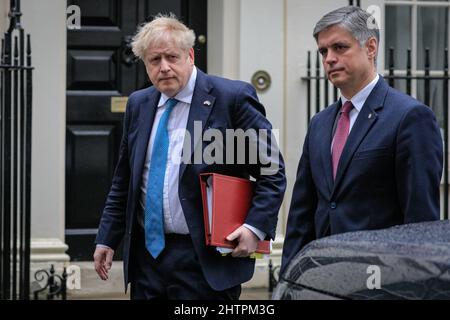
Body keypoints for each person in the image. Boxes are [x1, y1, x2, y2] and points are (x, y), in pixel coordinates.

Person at [93, 13, 286, 300]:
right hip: (147, 260)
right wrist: (107, 238)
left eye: (172, 57)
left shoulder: (230, 98)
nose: (164, 67)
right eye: (154, 60)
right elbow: (124, 180)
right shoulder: (139, 104)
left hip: (204, 260)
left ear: (190, 55)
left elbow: (271, 171)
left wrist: (254, 227)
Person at [281, 6, 443, 275]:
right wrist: (289, 277)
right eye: (323, 51)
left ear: (370, 48)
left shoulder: (411, 117)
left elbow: (420, 221)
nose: (329, 59)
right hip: (323, 278)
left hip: (381, 280)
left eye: (340, 48)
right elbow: (302, 212)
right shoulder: (320, 123)